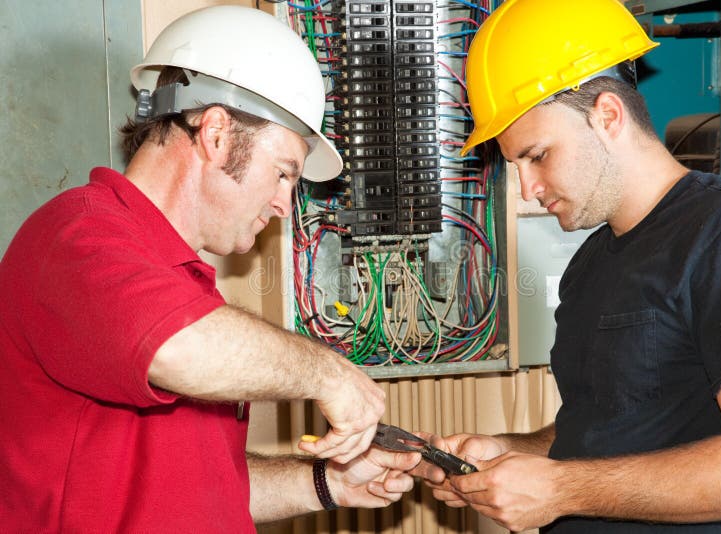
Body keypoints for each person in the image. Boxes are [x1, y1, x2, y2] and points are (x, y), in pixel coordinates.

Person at [0, 6, 419, 532]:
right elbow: (173, 349)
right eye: (284, 173)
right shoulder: (75, 238)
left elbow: (200, 485)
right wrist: (331, 375)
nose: (284, 205)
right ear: (217, 134)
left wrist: (328, 482)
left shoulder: (183, 286)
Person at [414, 0, 721, 532]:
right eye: (515, 165)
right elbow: (611, 431)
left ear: (608, 116)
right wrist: (509, 453)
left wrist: (559, 490)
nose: (528, 189)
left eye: (538, 155)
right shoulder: (592, 262)